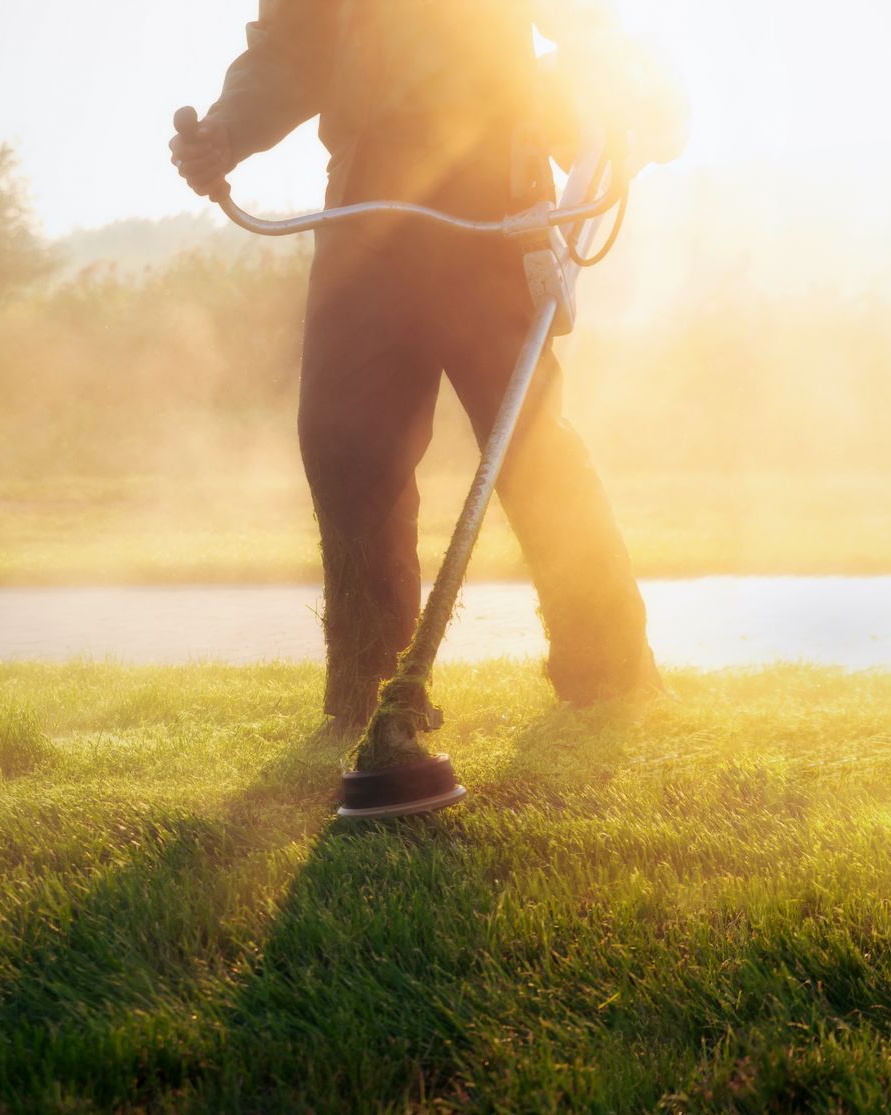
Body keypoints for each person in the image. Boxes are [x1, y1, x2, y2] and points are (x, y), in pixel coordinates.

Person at [172, 0, 675, 732]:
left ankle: (611, 678)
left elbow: (582, 21)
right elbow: (287, 49)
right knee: (343, 445)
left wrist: (624, 85)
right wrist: (225, 132)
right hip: (362, 214)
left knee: (529, 446)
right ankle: (366, 689)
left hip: (494, 204)